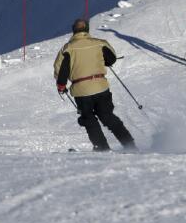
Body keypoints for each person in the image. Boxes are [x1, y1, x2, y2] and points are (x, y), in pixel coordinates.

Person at [54, 19, 136, 152]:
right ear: (87, 30)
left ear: (74, 31)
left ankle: (102, 148)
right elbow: (111, 59)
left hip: (81, 90)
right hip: (100, 86)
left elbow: (61, 69)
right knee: (107, 116)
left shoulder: (67, 48)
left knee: (89, 119)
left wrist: (61, 85)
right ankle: (129, 144)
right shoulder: (99, 43)